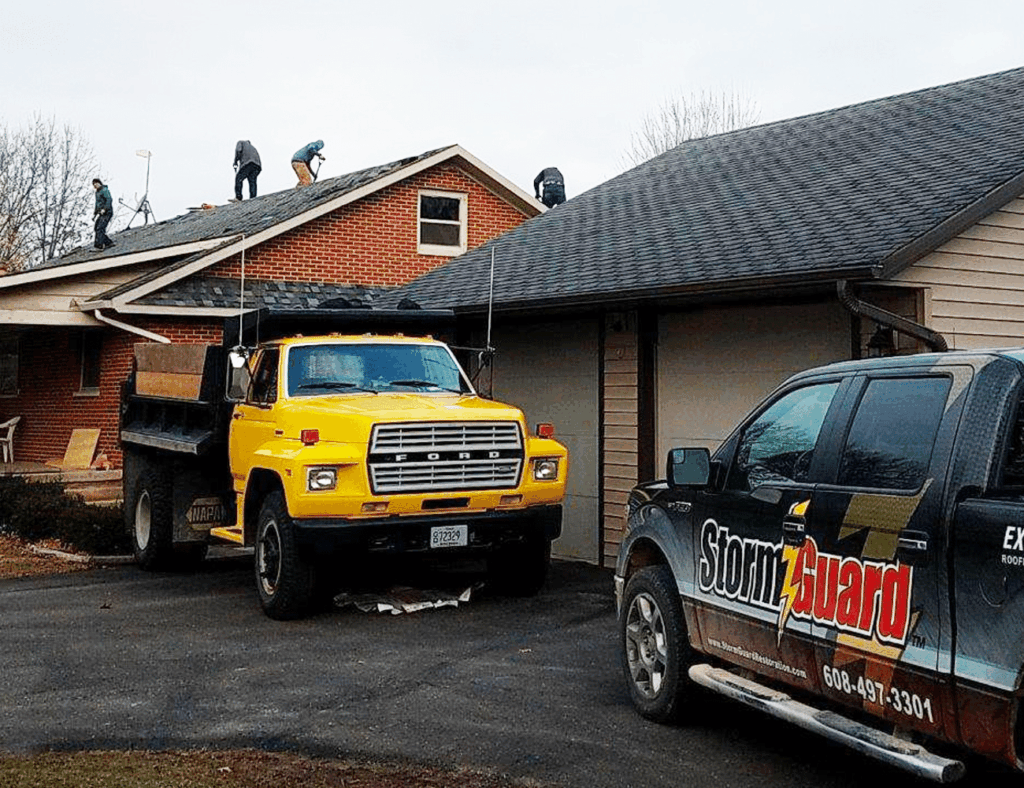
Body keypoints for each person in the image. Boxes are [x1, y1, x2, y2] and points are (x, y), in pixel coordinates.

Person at [92, 178, 114, 249]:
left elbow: (109, 199)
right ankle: (108, 242)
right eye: (94, 185)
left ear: (99, 183)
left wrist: (105, 209)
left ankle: (100, 245)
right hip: (101, 213)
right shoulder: (97, 193)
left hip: (107, 212)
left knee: (100, 228)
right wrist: (95, 214)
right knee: (96, 228)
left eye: (96, 184)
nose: (95, 186)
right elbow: (97, 204)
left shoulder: (104, 190)